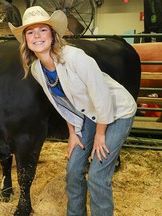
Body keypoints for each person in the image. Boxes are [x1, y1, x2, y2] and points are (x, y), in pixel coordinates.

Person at [8, 6, 137, 216]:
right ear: (26, 41)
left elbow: (102, 95)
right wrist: (72, 134)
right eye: (30, 32)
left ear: (52, 34)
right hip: (89, 113)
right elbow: (63, 102)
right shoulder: (36, 69)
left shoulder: (75, 57)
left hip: (116, 111)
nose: (37, 36)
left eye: (42, 30)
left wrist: (100, 134)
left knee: (97, 176)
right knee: (73, 170)